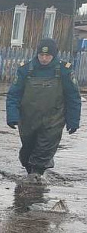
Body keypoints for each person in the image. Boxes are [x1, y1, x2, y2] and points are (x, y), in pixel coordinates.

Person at [6, 38, 81, 183]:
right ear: (37, 54)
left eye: (48, 56)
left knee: (44, 150)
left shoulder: (64, 70)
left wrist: (73, 121)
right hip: (28, 118)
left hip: (54, 119)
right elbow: (14, 94)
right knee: (27, 152)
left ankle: (37, 178)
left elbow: (73, 97)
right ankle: (31, 173)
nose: (44, 58)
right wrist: (12, 116)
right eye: (41, 55)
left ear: (54, 55)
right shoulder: (26, 69)